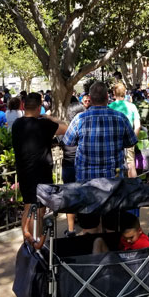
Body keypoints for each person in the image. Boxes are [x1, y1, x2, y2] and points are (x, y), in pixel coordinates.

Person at [62, 82, 137, 233]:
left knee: (89, 229)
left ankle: (93, 252)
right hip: (113, 183)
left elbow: (68, 142)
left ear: (90, 98)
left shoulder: (79, 119)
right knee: (112, 228)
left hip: (86, 183)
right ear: (107, 97)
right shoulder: (120, 118)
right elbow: (131, 141)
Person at [12, 93, 68, 248]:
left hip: (24, 171)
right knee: (39, 210)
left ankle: (27, 239)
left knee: (28, 206)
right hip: (41, 172)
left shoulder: (17, 124)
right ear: (39, 107)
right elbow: (65, 128)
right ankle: (36, 242)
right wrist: (49, 117)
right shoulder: (44, 124)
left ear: (24, 106)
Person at [59, 101, 87, 237]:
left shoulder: (64, 131)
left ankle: (70, 230)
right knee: (85, 195)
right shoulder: (86, 129)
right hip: (82, 166)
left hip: (68, 166)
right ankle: (86, 226)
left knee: (69, 197)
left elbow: (61, 143)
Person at [109, 83, 141, 177]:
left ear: (114, 93)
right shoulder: (132, 106)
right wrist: (133, 139)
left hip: (114, 140)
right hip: (128, 138)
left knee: (115, 166)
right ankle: (133, 188)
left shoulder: (110, 107)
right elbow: (138, 126)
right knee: (131, 164)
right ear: (125, 92)